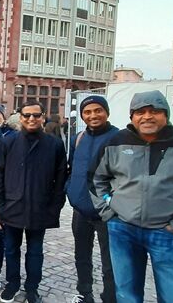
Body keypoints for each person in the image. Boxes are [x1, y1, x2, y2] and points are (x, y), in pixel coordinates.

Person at [92, 90, 173, 303]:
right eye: (140, 111)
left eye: (155, 111)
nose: (147, 116)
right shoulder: (116, 141)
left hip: (168, 234)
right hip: (123, 230)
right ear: (132, 116)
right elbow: (95, 179)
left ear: (166, 115)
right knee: (126, 295)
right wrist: (109, 212)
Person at [0, 100, 67, 303]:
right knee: (11, 249)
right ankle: (12, 283)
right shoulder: (9, 142)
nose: (31, 119)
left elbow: (61, 179)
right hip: (12, 206)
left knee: (35, 251)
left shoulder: (55, 144)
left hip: (39, 207)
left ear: (43, 117)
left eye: (36, 115)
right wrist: (0, 204)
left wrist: (55, 205)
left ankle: (32, 288)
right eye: (27, 115)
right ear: (21, 117)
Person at [65, 96, 118, 303]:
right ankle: (84, 293)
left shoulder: (119, 138)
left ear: (106, 112)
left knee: (109, 261)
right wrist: (70, 190)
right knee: (82, 256)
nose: (93, 115)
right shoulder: (78, 138)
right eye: (87, 112)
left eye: (98, 110)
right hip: (81, 209)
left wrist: (113, 202)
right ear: (82, 115)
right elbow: (71, 168)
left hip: (108, 212)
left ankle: (109, 297)